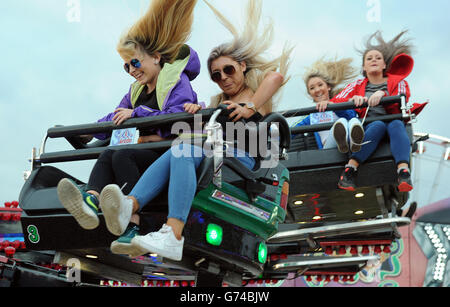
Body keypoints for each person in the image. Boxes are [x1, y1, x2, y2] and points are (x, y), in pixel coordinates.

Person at [98, 0, 293, 261]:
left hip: (244, 161)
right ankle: (130, 206)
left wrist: (250, 106)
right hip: (217, 154)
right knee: (179, 149)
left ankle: (172, 234)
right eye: (216, 75)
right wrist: (194, 110)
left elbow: (276, 78)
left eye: (228, 69)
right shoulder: (218, 104)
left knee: (183, 151)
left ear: (243, 67)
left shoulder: (255, 93)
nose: (223, 77)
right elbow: (198, 133)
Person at [56, 0, 201, 242]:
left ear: (155, 57)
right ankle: (90, 201)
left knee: (122, 154)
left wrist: (138, 114)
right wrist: (92, 133)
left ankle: (133, 218)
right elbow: (116, 116)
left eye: (135, 62)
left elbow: (177, 120)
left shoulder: (177, 83)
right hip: (143, 149)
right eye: (126, 67)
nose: (132, 70)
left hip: (167, 155)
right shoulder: (135, 91)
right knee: (110, 153)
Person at [332, 30, 427, 192]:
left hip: (393, 120)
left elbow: (402, 99)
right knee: (377, 126)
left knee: (396, 124)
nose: (373, 60)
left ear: (384, 65)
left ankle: (403, 172)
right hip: (371, 124)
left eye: (378, 58)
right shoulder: (357, 85)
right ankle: (349, 171)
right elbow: (335, 101)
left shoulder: (397, 81)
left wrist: (383, 94)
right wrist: (352, 100)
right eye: (369, 58)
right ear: (364, 66)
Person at [291, 57, 364, 153]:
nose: (317, 90)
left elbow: (352, 116)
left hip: (351, 146)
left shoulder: (341, 104)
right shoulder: (312, 116)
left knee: (352, 120)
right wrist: (271, 134)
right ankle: (342, 143)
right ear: (310, 93)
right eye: (312, 88)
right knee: (341, 121)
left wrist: (333, 107)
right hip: (329, 149)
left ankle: (353, 143)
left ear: (328, 87)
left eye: (320, 85)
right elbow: (291, 130)